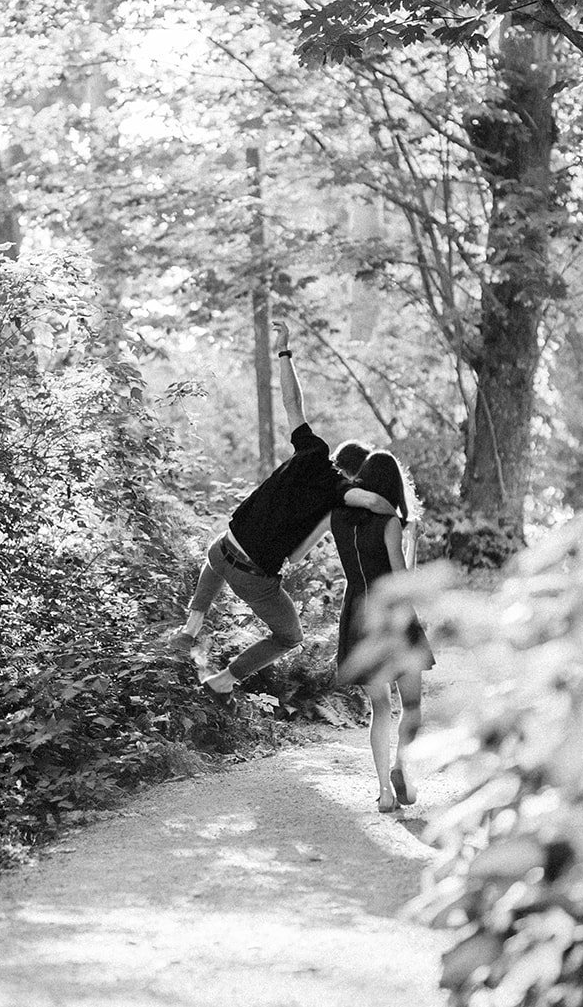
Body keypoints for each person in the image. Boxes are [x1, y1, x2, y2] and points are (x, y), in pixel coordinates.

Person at [168, 321, 395, 693]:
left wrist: (284, 350)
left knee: (214, 557)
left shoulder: (311, 451)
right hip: (252, 576)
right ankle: (224, 681)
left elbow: (292, 402)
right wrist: (396, 508)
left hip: (224, 546)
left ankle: (191, 628)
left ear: (337, 454)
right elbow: (361, 509)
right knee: (290, 636)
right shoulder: (340, 492)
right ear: (357, 476)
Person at [321, 449, 434, 812]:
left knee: (380, 708)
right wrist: (412, 540)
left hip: (357, 616)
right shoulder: (390, 525)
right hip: (393, 617)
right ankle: (402, 765)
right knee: (412, 706)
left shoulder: (339, 519)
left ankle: (385, 791)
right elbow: (401, 580)